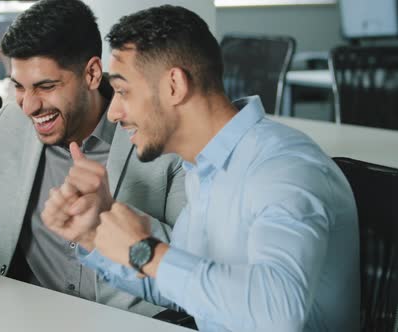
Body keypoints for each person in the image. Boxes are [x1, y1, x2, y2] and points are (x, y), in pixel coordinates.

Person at [41, 5, 359, 331]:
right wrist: (95, 236)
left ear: (174, 85)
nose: (113, 112)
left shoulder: (284, 168)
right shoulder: (204, 169)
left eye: (122, 91)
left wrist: (144, 252)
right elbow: (189, 291)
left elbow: (278, 313)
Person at [0, 0, 185, 317]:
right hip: (19, 317)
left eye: (46, 86)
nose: (29, 105)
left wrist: (108, 216)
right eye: (18, 86)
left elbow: (192, 278)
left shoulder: (165, 137)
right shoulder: (10, 124)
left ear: (92, 73)